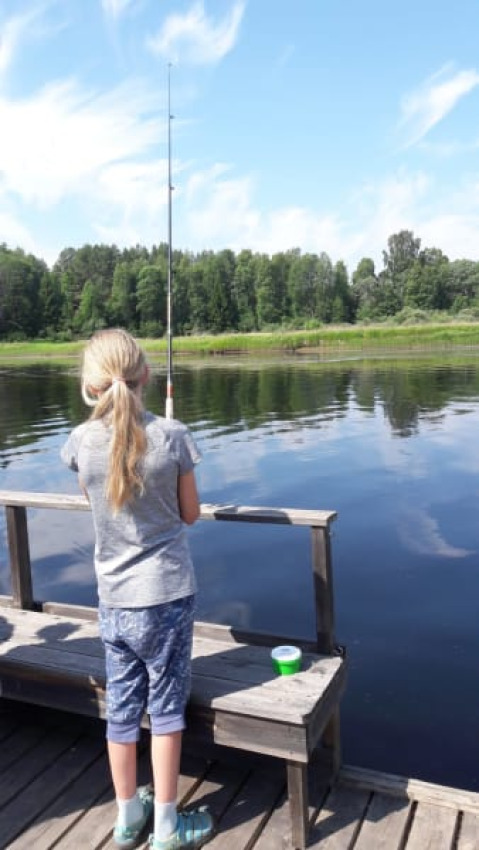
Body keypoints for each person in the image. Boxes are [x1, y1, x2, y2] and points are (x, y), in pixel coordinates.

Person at [61, 328, 215, 850]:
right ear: (147, 376)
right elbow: (191, 515)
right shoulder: (173, 436)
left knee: (123, 707)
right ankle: (169, 828)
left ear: (90, 387)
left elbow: (93, 495)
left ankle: (128, 819)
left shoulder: (81, 441)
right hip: (167, 596)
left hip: (114, 601)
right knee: (167, 709)